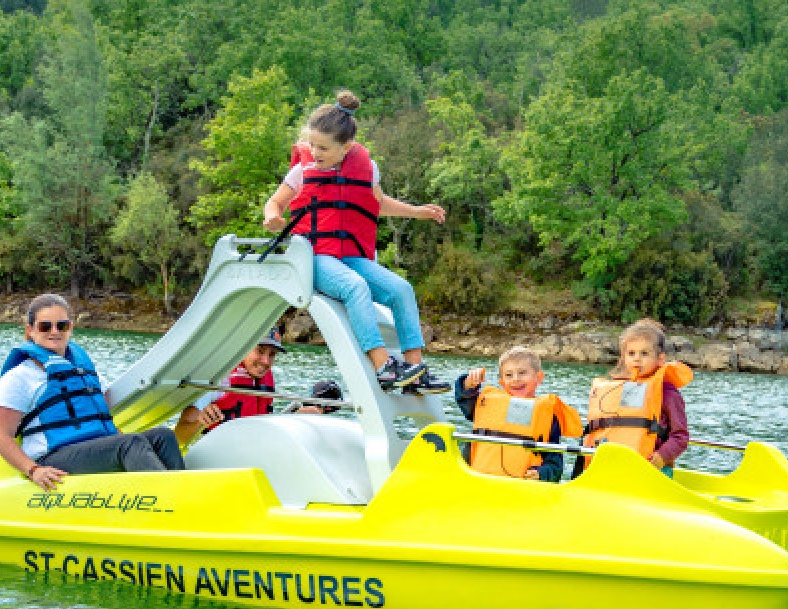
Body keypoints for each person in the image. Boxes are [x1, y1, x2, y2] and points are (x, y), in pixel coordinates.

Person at [262, 89, 449, 395]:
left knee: (401, 289)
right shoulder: (302, 171)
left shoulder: (367, 169)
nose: (315, 152)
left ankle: (415, 373)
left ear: (346, 147)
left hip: (351, 255)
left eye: (323, 147)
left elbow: (377, 203)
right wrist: (272, 218)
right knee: (355, 287)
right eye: (312, 144)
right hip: (315, 257)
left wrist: (417, 212)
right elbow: (275, 203)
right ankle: (383, 366)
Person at [0, 294, 184, 491]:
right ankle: (167, 497)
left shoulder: (85, 372)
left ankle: (181, 493)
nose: (54, 331)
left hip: (93, 448)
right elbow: (0, 436)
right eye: (45, 326)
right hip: (53, 455)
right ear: (30, 330)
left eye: (62, 325)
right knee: (130, 444)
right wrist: (33, 470)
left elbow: (101, 413)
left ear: (70, 328)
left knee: (164, 437)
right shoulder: (19, 377)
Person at [579, 319, 692, 478]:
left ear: (660, 359)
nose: (637, 359)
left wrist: (662, 456)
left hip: (653, 470)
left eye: (644, 353)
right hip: (614, 469)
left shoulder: (667, 392)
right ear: (624, 357)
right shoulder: (619, 388)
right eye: (631, 353)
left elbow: (680, 437)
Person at [174, 328, 322, 446]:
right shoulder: (219, 379)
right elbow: (179, 437)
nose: (266, 361)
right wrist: (201, 422)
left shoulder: (265, 379)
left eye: (272, 354)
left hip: (251, 454)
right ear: (243, 347)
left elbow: (262, 429)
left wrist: (295, 417)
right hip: (215, 458)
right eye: (260, 351)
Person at [455, 346, 581, 481]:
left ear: (538, 378)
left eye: (522, 373)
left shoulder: (547, 416)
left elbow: (554, 463)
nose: (515, 379)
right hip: (477, 481)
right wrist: (468, 384)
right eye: (509, 375)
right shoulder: (486, 403)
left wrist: (542, 473)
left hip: (520, 487)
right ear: (502, 382)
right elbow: (466, 400)